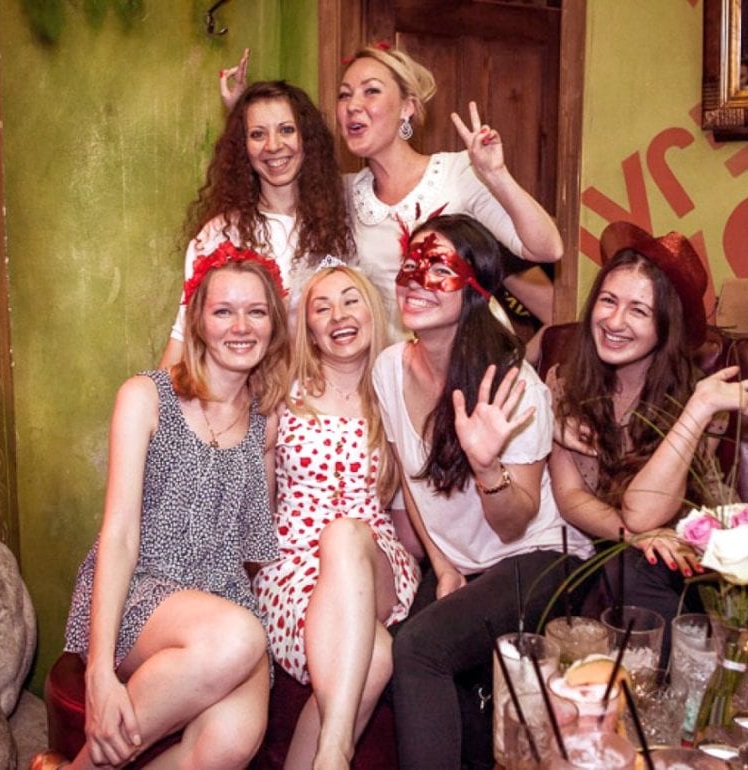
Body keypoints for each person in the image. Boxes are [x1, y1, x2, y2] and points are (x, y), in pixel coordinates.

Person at [32, 244, 290, 770]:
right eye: (223, 311)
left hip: (220, 600)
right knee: (240, 634)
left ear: (274, 324)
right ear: (197, 322)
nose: (241, 326)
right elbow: (119, 536)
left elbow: (252, 546)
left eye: (256, 312)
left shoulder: (266, 422)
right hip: (141, 588)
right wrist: (99, 672)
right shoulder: (146, 397)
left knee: (230, 743)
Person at [370, 213, 593, 769]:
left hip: (539, 557)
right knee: (393, 659)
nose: (416, 280)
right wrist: (443, 566)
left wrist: (486, 465)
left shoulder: (515, 388)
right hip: (463, 566)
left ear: (474, 288)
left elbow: (515, 522)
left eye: (438, 267)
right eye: (410, 264)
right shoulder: (389, 369)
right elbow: (413, 484)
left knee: (419, 649)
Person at [220, 46, 560, 359]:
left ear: (407, 107)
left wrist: (496, 174)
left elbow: (546, 248)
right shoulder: (342, 194)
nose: (353, 105)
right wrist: (244, 115)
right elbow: (278, 173)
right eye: (344, 95)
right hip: (396, 377)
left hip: (473, 362)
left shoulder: (459, 173)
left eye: (371, 91)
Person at [547, 221, 748, 655]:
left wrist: (697, 409)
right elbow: (570, 498)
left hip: (680, 554)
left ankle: (671, 689)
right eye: (608, 301)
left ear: (665, 325)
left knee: (637, 566)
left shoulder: (701, 398)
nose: (614, 321)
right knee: (622, 561)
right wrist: (633, 536)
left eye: (638, 310)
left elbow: (646, 513)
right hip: (610, 547)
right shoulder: (567, 383)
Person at [252, 261, 420, 769]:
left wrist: (446, 565)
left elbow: (416, 502)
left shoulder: (397, 394)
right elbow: (257, 502)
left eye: (350, 301)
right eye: (321, 308)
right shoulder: (282, 393)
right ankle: (332, 753)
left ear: (372, 312)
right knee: (377, 656)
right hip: (292, 565)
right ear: (308, 329)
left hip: (377, 557)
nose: (338, 316)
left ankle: (331, 751)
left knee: (345, 535)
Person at [160, 79, 353, 368]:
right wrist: (153, 393)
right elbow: (184, 333)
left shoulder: (341, 224)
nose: (273, 146)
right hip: (252, 392)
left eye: (286, 130)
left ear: (308, 138)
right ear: (243, 147)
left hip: (327, 389)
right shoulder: (220, 233)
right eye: (257, 134)